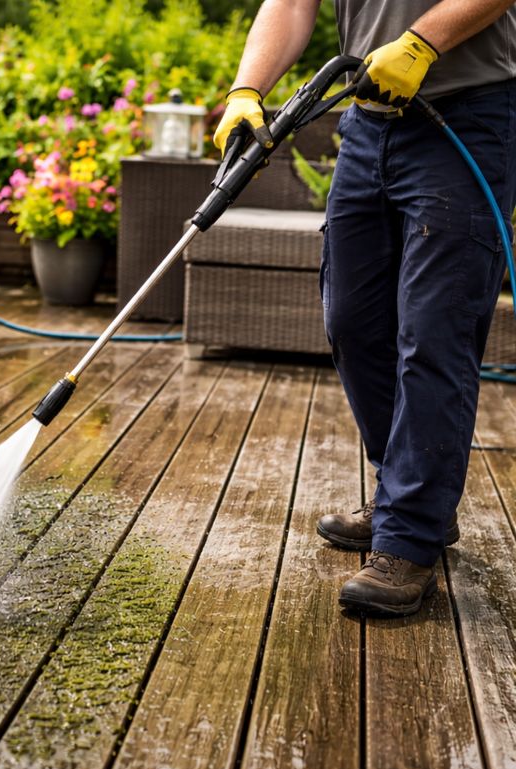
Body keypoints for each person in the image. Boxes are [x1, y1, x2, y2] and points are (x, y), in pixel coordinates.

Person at [214, 0, 516, 617]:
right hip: (368, 123)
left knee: (434, 333)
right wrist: (248, 89)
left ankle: (408, 535)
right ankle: (408, 495)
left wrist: (423, 42)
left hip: (468, 118)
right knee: (352, 321)